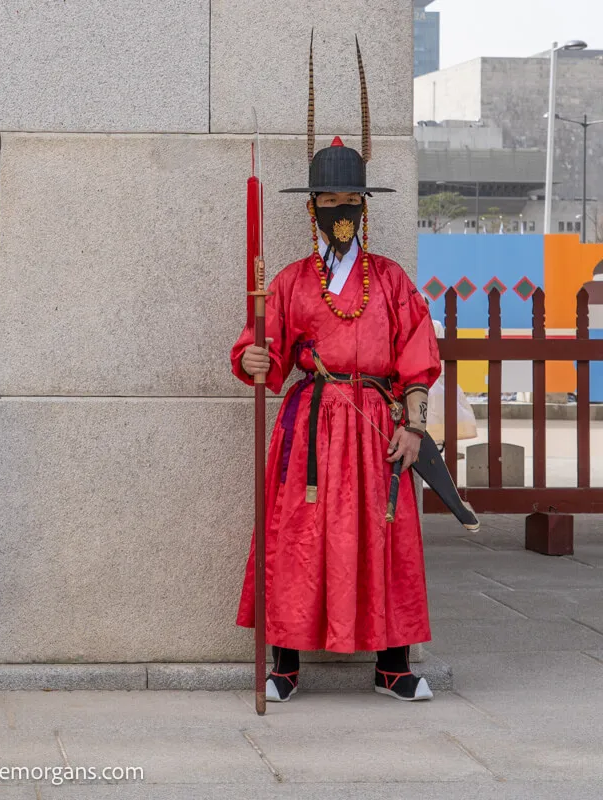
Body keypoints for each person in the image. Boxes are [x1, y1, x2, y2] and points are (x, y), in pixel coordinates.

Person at [230, 42, 441, 703]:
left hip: (379, 425)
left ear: (365, 206)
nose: (340, 209)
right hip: (310, 428)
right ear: (313, 205)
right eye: (330, 199)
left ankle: (393, 666)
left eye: (352, 198)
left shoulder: (394, 282)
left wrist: (416, 426)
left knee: (388, 536)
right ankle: (284, 665)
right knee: (298, 537)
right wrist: (253, 358)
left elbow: (418, 356)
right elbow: (256, 346)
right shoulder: (291, 283)